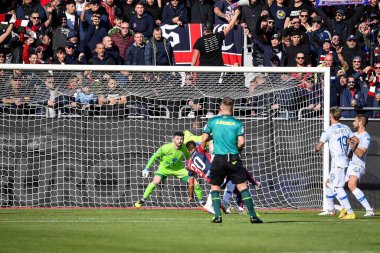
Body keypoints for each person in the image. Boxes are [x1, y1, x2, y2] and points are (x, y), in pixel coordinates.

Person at [198, 97, 262, 223]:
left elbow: (204, 139)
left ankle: (217, 216)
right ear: (232, 109)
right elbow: (242, 142)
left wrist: (207, 145)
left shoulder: (213, 121)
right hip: (233, 158)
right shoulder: (237, 123)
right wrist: (235, 150)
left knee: (215, 187)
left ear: (221, 107)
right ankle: (253, 216)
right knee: (243, 187)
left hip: (219, 158)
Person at [135, 132, 205, 208]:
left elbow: (189, 157)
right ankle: (142, 200)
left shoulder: (184, 148)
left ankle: (202, 202)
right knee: (155, 181)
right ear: (173, 139)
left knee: (195, 183)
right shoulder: (165, 147)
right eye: (178, 138)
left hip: (179, 170)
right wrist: (147, 168)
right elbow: (154, 156)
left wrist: (193, 167)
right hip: (164, 169)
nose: (180, 141)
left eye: (181, 139)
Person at [315, 106, 359, 220]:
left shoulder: (329, 130)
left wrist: (316, 148)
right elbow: (356, 141)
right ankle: (331, 210)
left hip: (337, 162)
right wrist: (350, 152)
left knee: (338, 187)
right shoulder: (346, 127)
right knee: (328, 183)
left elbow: (319, 146)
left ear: (330, 116)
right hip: (343, 160)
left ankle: (349, 211)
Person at [345, 114, 375, 217]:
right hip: (348, 165)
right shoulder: (353, 134)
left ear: (361, 123)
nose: (353, 123)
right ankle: (335, 208)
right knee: (329, 183)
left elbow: (361, 153)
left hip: (358, 165)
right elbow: (350, 152)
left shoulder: (366, 137)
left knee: (351, 185)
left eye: (355, 121)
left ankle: (369, 210)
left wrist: (352, 146)